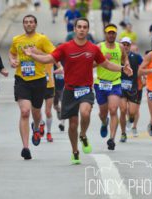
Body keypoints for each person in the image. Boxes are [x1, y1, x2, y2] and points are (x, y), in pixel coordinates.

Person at [22, 18, 132, 164]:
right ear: (74, 29)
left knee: (85, 113)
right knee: (72, 124)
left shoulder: (93, 48)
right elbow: (48, 59)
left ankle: (83, 134)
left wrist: (122, 68)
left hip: (86, 89)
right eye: (79, 27)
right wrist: (33, 55)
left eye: (84, 27)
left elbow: (105, 64)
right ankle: (75, 151)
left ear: (87, 30)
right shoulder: (65, 47)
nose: (81, 29)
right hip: (70, 90)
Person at [8, 15, 56, 160]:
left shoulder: (42, 39)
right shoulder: (17, 39)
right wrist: (12, 61)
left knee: (36, 112)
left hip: (39, 80)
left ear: (35, 24)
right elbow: (12, 52)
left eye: (31, 22)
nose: (28, 24)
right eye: (26, 22)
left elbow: (54, 55)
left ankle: (36, 127)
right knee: (24, 111)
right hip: (22, 79)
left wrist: (37, 52)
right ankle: (25, 147)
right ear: (23, 24)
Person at [94, 24, 124, 150]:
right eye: (109, 33)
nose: (111, 35)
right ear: (105, 34)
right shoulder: (99, 47)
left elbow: (124, 60)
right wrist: (102, 60)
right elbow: (91, 64)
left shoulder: (120, 47)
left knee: (113, 110)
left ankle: (111, 139)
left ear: (116, 34)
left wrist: (126, 66)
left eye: (113, 33)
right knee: (103, 112)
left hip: (115, 82)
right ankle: (104, 122)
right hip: (101, 83)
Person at [119, 37, 143, 142]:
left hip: (133, 88)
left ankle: (131, 120)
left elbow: (143, 66)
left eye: (127, 45)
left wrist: (144, 77)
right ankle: (123, 133)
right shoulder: (118, 57)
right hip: (120, 88)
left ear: (130, 46)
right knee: (123, 110)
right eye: (123, 44)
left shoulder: (136, 57)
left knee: (132, 112)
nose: (125, 47)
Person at [39, 63, 56, 142]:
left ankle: (49, 132)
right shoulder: (35, 54)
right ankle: (41, 124)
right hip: (38, 86)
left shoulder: (50, 54)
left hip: (50, 86)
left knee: (48, 111)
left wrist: (53, 72)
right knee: (37, 110)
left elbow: (60, 67)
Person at [53, 63, 66, 132]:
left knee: (63, 104)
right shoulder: (54, 60)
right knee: (55, 106)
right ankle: (58, 110)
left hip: (64, 85)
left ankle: (62, 124)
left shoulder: (66, 59)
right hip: (54, 85)